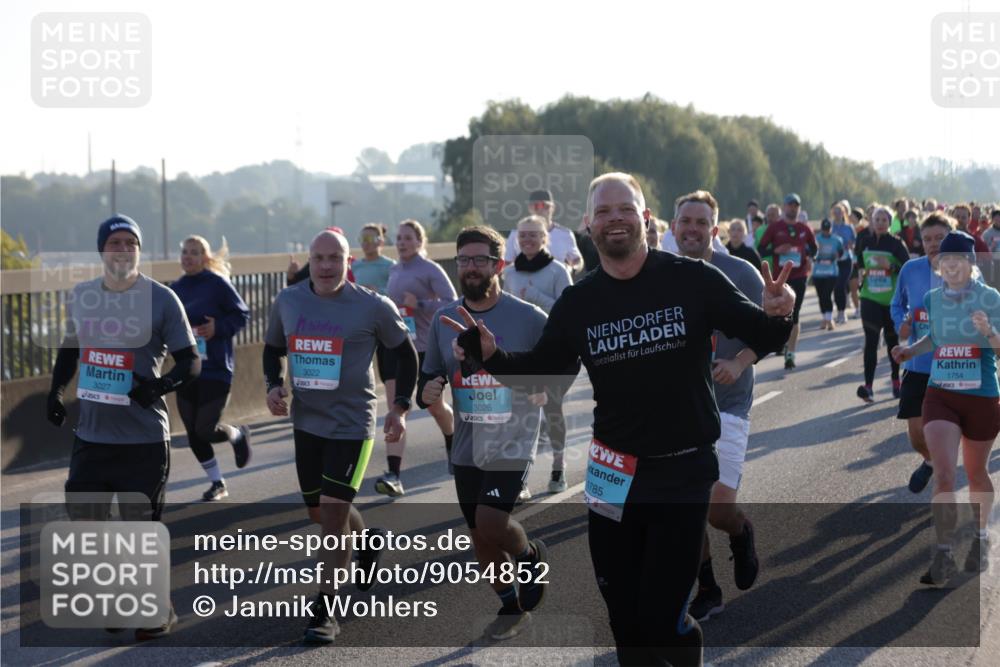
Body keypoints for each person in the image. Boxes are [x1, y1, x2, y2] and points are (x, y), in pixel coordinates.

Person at [443, 174, 794, 667]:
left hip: (682, 467)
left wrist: (779, 315)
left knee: (662, 620)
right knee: (625, 622)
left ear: (645, 219)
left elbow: (765, 334)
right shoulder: (580, 302)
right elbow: (545, 372)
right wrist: (492, 356)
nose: (615, 219)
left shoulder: (692, 279)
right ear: (588, 224)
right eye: (603, 212)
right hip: (612, 473)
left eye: (625, 209)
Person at [46, 214, 201, 640]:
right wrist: (55, 392)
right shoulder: (83, 296)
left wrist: (158, 387)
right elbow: (69, 351)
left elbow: (190, 362)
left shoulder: (162, 299)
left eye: (131, 242)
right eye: (115, 242)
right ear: (102, 250)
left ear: (139, 250)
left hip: (144, 439)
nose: (123, 249)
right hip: (92, 435)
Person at [263, 229, 418, 643]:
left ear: (348, 263)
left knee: (332, 515)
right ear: (309, 261)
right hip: (306, 422)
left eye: (335, 258)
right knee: (319, 512)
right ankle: (365, 541)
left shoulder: (372, 306)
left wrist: (400, 407)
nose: (326, 266)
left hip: (352, 424)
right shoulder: (288, 300)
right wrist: (273, 385)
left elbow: (405, 354)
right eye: (319, 258)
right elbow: (273, 348)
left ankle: (326, 608)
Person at [421, 225, 551, 640]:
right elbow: (431, 372)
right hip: (468, 443)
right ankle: (510, 607)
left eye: (480, 259)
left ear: (499, 264)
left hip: (514, 439)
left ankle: (529, 556)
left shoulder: (529, 319)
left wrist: (543, 387)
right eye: (464, 260)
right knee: (480, 537)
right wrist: (428, 389)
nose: (471, 267)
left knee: (492, 521)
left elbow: (558, 365)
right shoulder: (443, 319)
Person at [671, 192, 764, 624]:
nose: (692, 228)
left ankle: (740, 532)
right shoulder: (657, 273)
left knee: (717, 509)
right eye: (685, 221)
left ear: (715, 228)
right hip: (676, 407)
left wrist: (739, 361)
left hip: (728, 403)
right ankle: (707, 588)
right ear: (674, 226)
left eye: (701, 222)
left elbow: (771, 330)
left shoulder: (740, 273)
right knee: (683, 510)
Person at [891, 230, 997, 585]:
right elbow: (935, 338)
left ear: (970, 263)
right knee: (946, 474)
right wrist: (910, 351)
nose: (950, 265)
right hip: (941, 395)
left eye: (958, 260)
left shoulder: (990, 298)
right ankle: (944, 554)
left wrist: (989, 332)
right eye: (945, 260)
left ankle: (980, 537)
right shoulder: (932, 298)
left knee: (977, 473)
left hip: (981, 395)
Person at [170, 235, 252, 501]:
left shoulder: (217, 284)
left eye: (194, 252)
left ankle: (237, 434)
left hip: (216, 368)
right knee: (193, 433)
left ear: (205, 258)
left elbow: (242, 314)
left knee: (205, 429)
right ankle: (218, 483)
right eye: (185, 251)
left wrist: (218, 328)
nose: (188, 257)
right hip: (187, 369)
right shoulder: (176, 288)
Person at [381, 219, 458, 494]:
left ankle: (452, 441)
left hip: (425, 348)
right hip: (397, 348)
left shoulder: (430, 269)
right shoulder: (394, 270)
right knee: (395, 407)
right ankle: (393, 474)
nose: (402, 243)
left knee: (434, 406)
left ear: (420, 241)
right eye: (399, 238)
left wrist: (422, 304)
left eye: (408, 238)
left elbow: (452, 303)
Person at [501, 215, 578, 494]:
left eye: (534, 234)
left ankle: (558, 469)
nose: (528, 240)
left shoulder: (558, 270)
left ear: (544, 238)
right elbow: (504, 310)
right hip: (525, 352)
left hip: (559, 353)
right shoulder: (509, 274)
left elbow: (568, 312)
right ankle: (519, 479)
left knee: (552, 407)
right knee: (520, 413)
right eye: (523, 235)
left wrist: (535, 296)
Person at [890, 213, 953, 493]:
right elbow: (897, 304)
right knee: (916, 434)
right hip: (917, 363)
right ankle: (931, 461)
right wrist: (901, 325)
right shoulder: (910, 269)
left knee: (944, 430)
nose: (933, 244)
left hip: (953, 366)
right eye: (927, 239)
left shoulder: (968, 270)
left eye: (940, 238)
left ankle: (944, 476)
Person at [351, 223, 402, 485]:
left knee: (393, 394)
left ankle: (394, 469)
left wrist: (377, 293)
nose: (367, 242)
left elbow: (395, 296)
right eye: (363, 238)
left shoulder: (390, 266)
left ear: (382, 241)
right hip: (361, 334)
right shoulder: (356, 266)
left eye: (372, 238)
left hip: (386, 334)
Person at [855, 206, 911, 403]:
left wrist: (891, 266)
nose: (880, 223)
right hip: (869, 298)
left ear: (889, 222)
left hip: (891, 302)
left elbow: (907, 268)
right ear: (871, 221)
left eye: (884, 220)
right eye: (877, 219)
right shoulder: (864, 240)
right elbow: (859, 261)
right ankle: (868, 387)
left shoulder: (896, 243)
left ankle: (896, 381)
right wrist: (861, 274)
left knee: (892, 343)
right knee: (870, 342)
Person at [757, 193, 817, 369]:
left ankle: (790, 354)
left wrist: (809, 257)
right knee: (779, 313)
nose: (793, 208)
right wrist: (776, 250)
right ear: (784, 207)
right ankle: (781, 342)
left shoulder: (804, 228)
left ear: (799, 208)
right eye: (790, 205)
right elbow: (761, 248)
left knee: (794, 314)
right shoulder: (775, 227)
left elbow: (814, 248)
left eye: (796, 205)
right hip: (780, 278)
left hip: (799, 276)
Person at [504, 189, 583, 272]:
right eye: (536, 206)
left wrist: (572, 269)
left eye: (545, 206)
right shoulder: (517, 234)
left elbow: (576, 259)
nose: (540, 209)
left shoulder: (565, 234)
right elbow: (507, 262)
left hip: (557, 278)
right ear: (530, 208)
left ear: (553, 208)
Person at [813, 219, 845, 330]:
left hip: (831, 272)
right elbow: (810, 251)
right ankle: (824, 318)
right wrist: (815, 254)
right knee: (821, 296)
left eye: (828, 229)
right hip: (818, 273)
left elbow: (841, 252)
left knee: (827, 294)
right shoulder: (816, 239)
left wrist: (837, 254)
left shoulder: (837, 240)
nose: (826, 231)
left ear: (831, 229)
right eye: (824, 229)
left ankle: (829, 319)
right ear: (821, 229)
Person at [830, 203, 857, 324]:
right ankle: (840, 312)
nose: (837, 214)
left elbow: (854, 242)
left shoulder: (849, 227)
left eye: (839, 212)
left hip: (846, 260)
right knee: (836, 287)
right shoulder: (830, 227)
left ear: (843, 213)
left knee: (841, 284)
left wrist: (851, 245)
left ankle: (842, 312)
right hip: (834, 261)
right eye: (835, 212)